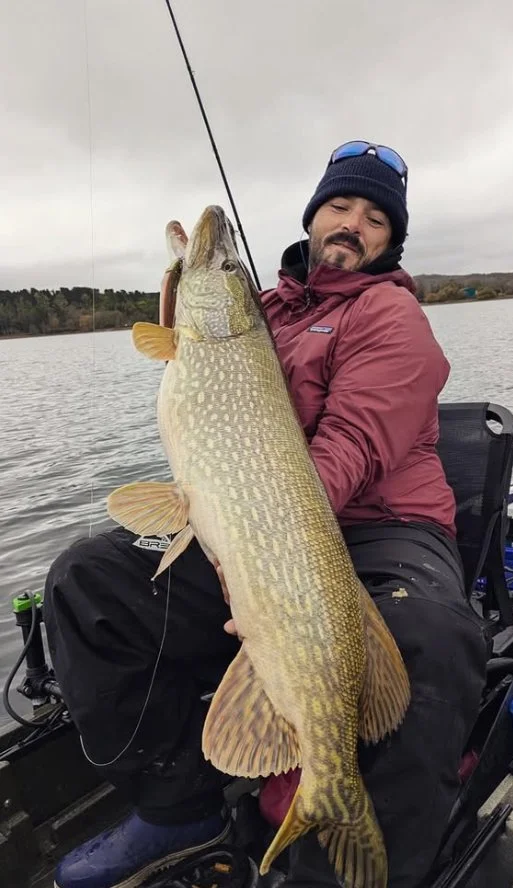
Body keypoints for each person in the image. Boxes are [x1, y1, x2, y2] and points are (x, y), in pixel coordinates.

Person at [45, 141, 489, 888]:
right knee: (87, 581)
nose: (352, 224)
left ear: (391, 240)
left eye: (375, 218)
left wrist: (259, 555)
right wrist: (186, 288)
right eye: (340, 206)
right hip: (253, 527)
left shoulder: (393, 317)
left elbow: (348, 450)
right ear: (313, 216)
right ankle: (178, 807)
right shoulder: (263, 313)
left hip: (382, 529)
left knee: (429, 636)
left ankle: (340, 863)